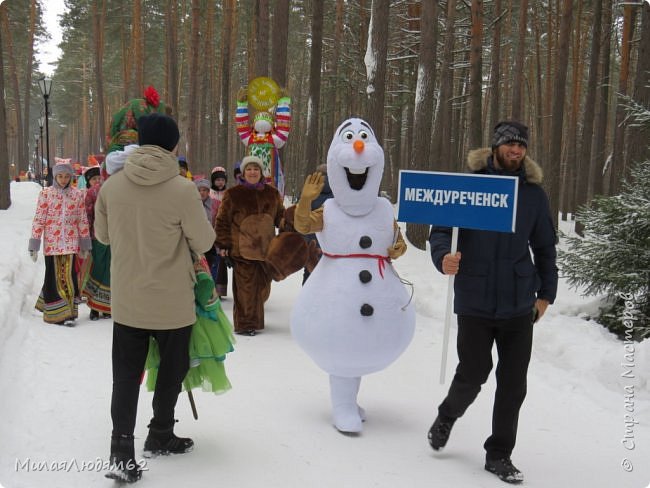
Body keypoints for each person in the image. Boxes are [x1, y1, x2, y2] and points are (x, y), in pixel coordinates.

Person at [427, 121, 558, 484]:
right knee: (473, 372)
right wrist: (443, 258)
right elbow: (441, 233)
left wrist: (546, 294)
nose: (517, 151)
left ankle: (499, 454)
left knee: (514, 383)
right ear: (496, 147)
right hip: (475, 298)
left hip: (519, 301)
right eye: (511, 145)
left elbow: (546, 248)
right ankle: (447, 415)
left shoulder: (533, 194)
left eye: (522, 146)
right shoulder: (470, 186)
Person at [95, 113, 216, 483]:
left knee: (125, 377)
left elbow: (102, 236)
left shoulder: (111, 187)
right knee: (171, 370)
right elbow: (205, 242)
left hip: (129, 300)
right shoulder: (182, 190)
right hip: (172, 303)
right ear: (173, 146)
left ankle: (121, 453)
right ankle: (161, 433)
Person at [214, 155, 285, 336]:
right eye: (249, 169)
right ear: (243, 173)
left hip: (266, 251)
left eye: (256, 169)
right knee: (245, 289)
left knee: (261, 289)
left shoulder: (272, 194)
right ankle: (246, 324)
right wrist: (224, 245)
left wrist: (288, 225)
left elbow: (280, 218)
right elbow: (222, 221)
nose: (252, 172)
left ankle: (254, 317)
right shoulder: (233, 194)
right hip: (242, 251)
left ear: (261, 172)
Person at [28, 161, 92, 325]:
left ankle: (69, 314)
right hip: (52, 243)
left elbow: (82, 220)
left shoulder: (77, 195)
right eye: (60, 176)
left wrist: (85, 244)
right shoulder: (46, 194)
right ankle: (55, 313)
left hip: (71, 243)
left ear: (71, 177)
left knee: (68, 277)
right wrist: (34, 245)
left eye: (66, 176)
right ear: (55, 177)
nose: (63, 179)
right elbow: (39, 219)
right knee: (53, 277)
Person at [80, 165, 111, 321]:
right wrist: (87, 239)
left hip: (115, 238)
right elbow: (87, 216)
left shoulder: (119, 189)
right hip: (98, 237)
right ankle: (93, 306)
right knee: (98, 269)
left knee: (110, 272)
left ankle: (106, 307)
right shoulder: (93, 192)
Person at [209, 166, 229, 295]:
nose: (220, 182)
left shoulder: (228, 194)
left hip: (224, 231)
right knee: (212, 260)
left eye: (222, 180)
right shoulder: (209, 193)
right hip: (211, 230)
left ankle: (220, 290)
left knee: (222, 262)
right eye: (217, 180)